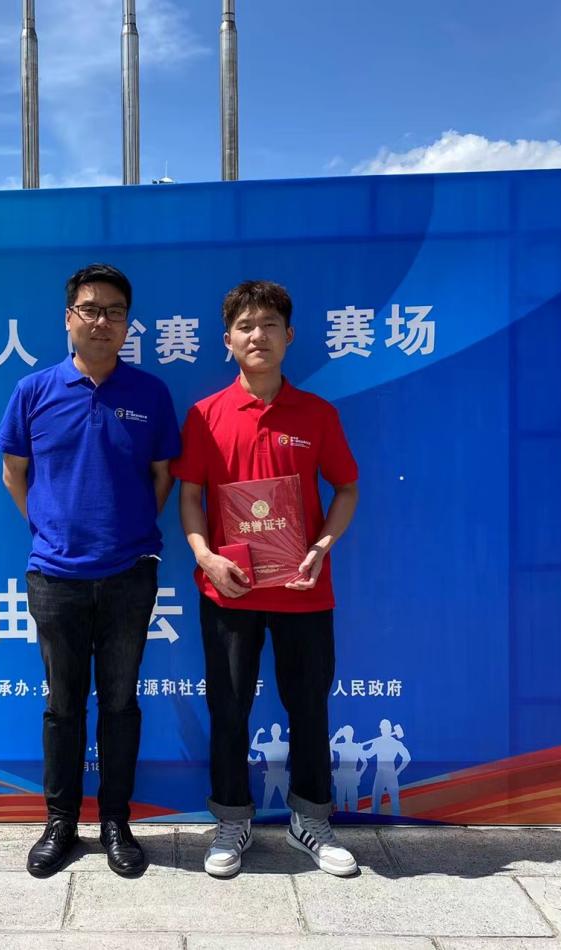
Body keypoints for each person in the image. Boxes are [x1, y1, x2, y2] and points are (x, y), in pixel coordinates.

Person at [0, 263, 180, 878]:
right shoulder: (33, 391)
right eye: (90, 309)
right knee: (63, 705)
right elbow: (14, 473)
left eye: (115, 312)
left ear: (128, 325)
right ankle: (60, 822)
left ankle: (116, 822)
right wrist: (53, 528)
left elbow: (162, 478)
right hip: (55, 576)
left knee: (121, 703)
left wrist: (126, 532)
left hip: (129, 573)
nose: (102, 322)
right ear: (68, 318)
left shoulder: (150, 394)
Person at [172, 279, 360, 879]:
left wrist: (322, 545)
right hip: (228, 589)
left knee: (308, 707)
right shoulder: (205, 415)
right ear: (227, 340)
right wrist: (205, 556)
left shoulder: (317, 414)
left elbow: (347, 488)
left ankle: (311, 819)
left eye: (270, 325)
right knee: (229, 708)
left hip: (303, 590)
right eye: (246, 326)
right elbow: (190, 495)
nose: (259, 336)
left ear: (290, 335)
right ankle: (232, 818)